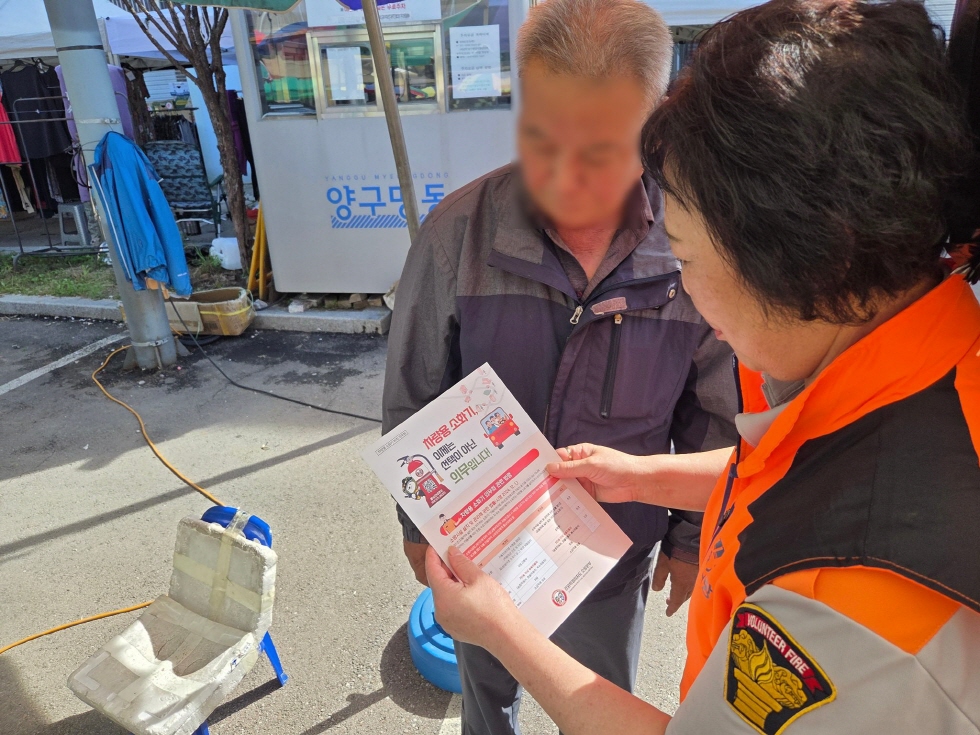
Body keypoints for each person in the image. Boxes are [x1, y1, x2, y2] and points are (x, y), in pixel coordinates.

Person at [424, 1, 980, 733]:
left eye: (684, 258)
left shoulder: (852, 596)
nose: (680, 286)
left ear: (805, 260)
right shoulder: (920, 366)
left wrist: (500, 629)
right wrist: (643, 476)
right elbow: (793, 474)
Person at [381, 0, 738, 731]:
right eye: (545, 139)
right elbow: (414, 396)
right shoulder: (458, 234)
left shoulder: (693, 244)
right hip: (480, 545)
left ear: (653, 129)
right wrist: (418, 527)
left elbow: (712, 409)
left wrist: (687, 539)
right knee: (488, 693)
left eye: (602, 151)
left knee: (601, 700)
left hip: (617, 552)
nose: (568, 178)